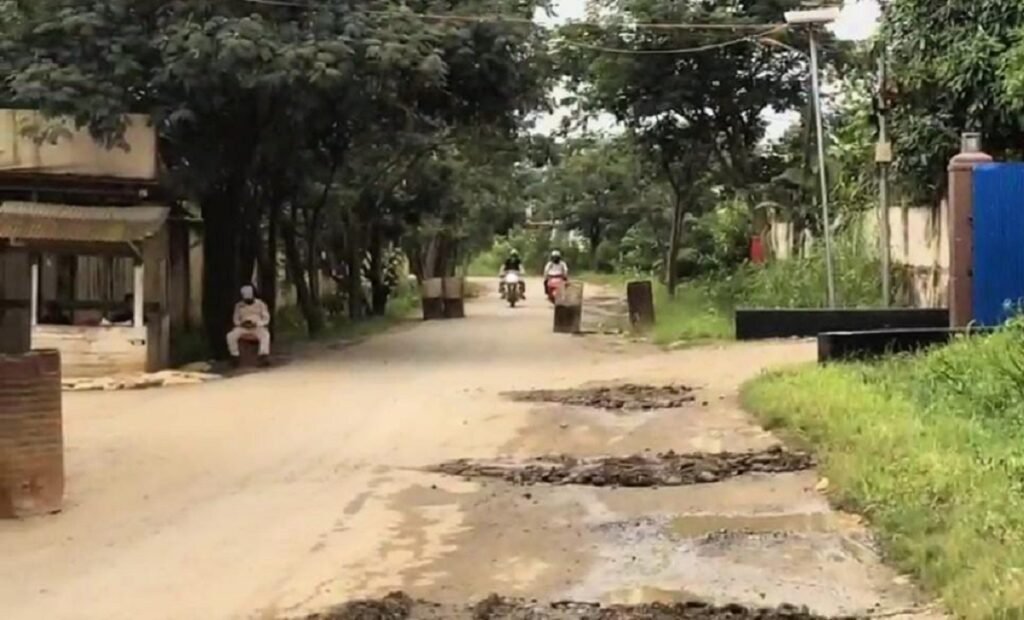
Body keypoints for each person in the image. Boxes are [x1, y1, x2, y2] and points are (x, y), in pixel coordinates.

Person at [227, 285, 271, 366]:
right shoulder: (239, 305)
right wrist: (241, 324)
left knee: (265, 335)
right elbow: (236, 319)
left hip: (257, 327)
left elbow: (266, 318)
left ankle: (263, 356)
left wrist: (257, 323)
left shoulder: (261, 304)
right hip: (243, 327)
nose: (248, 301)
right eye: (246, 300)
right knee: (230, 336)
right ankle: (235, 356)